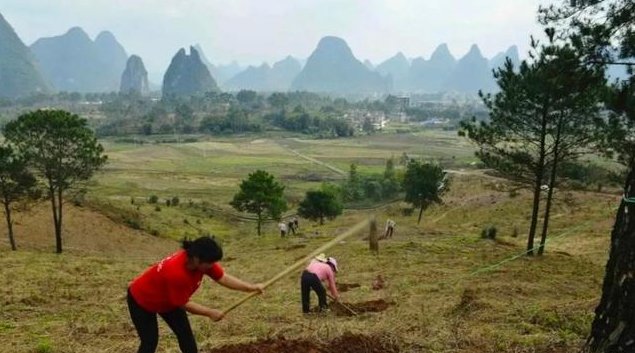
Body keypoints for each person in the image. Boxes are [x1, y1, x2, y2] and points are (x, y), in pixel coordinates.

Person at [127, 236, 263, 353]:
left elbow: (223, 278)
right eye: (210, 263)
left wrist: (250, 287)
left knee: (186, 336)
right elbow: (182, 303)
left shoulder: (202, 261)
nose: (212, 266)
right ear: (197, 259)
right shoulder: (177, 273)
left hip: (168, 301)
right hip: (142, 300)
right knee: (150, 341)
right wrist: (210, 312)